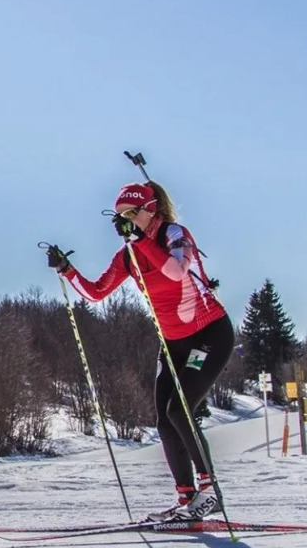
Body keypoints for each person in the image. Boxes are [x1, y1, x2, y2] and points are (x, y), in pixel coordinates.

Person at [48, 181, 234, 522]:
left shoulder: (174, 234)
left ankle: (211, 491)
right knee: (164, 419)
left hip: (208, 335)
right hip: (172, 343)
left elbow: (177, 272)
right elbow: (96, 293)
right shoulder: (129, 255)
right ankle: (187, 498)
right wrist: (66, 270)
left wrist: (139, 240)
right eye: (120, 217)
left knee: (180, 410)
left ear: (152, 211)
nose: (126, 222)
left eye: (131, 214)